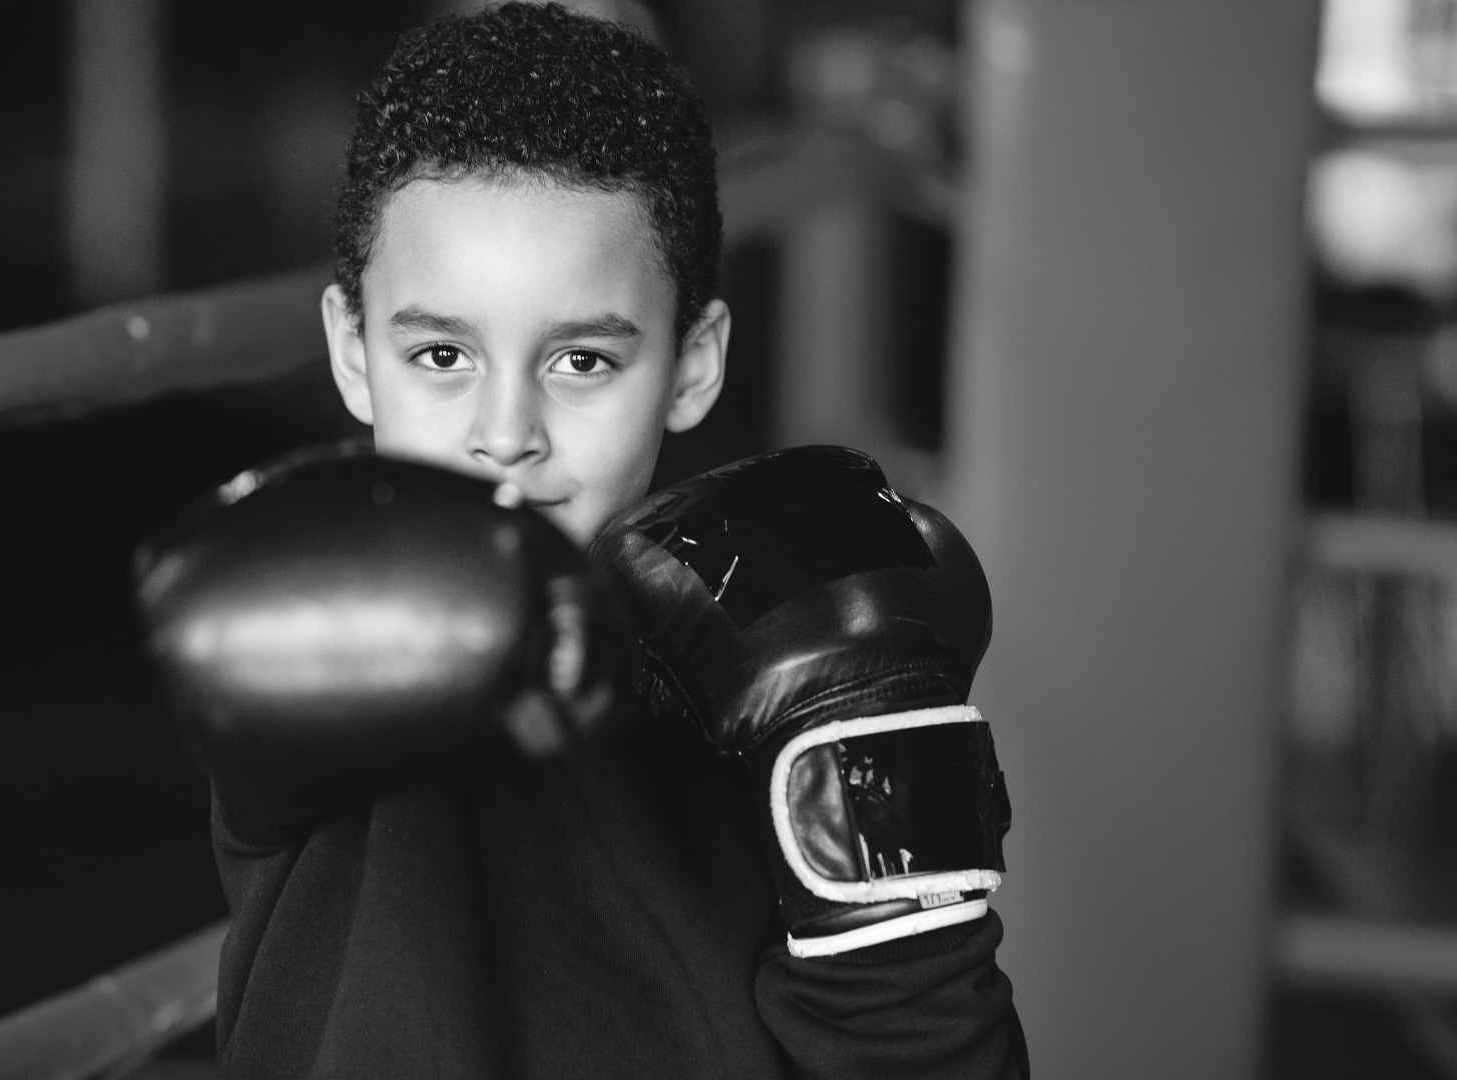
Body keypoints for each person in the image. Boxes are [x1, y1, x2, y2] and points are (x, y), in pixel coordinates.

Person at [137, 5, 1027, 1077]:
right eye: (440, 355)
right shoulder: (318, 623)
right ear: (352, 350)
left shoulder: (777, 656)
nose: (504, 435)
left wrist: (871, 757)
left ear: (693, 364)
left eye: (581, 364)